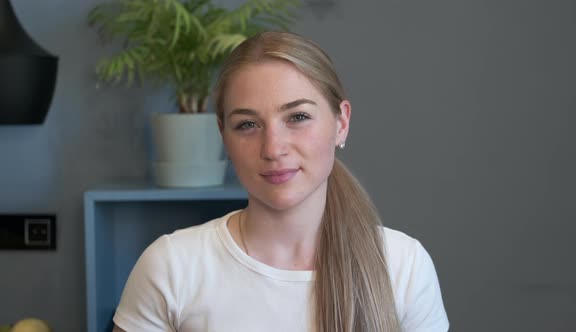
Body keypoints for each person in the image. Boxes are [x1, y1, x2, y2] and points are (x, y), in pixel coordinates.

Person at [112, 31, 449, 332]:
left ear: (341, 123)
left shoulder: (404, 266)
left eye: (298, 117)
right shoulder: (171, 267)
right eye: (247, 124)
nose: (273, 149)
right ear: (223, 135)